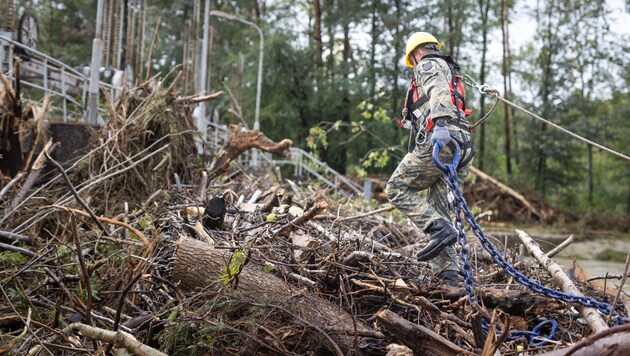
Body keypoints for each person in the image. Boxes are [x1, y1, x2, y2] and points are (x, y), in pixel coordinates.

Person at [386, 32, 475, 286]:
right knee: (440, 208)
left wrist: (440, 124)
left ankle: (437, 229)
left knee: (395, 187)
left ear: (415, 54)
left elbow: (437, 90)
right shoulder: (451, 72)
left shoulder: (427, 65)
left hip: (442, 141)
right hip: (463, 146)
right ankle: (449, 277)